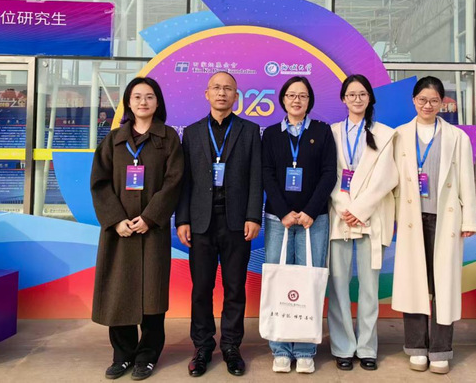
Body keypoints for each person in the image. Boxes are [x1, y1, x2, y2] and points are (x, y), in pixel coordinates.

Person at [90, 76, 184, 381]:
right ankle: (122, 355)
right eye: (137, 97)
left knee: (153, 296)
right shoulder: (113, 140)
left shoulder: (168, 138)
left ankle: (147, 355)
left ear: (158, 102)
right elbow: (100, 183)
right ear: (128, 103)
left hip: (151, 230)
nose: (143, 102)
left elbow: (174, 181)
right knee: (119, 293)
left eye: (149, 96)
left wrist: (150, 217)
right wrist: (116, 220)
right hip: (119, 232)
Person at [391, 76, 476, 375]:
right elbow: (391, 181)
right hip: (411, 220)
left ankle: (441, 350)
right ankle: (416, 347)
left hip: (446, 219)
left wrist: (469, 219)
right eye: (422, 100)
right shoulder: (400, 135)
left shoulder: (457, 137)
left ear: (442, 103)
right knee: (414, 283)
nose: (427, 105)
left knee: (444, 284)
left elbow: (466, 180)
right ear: (413, 101)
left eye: (433, 100)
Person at [175, 71, 262, 377]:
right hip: (201, 222)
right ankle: (202, 347)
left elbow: (256, 177)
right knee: (201, 288)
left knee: (235, 288)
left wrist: (254, 216)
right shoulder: (192, 132)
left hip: (237, 222)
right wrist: (182, 219)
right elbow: (185, 180)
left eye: (228, 89)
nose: (222, 93)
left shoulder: (250, 130)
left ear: (236, 96)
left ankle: (231, 347)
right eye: (216, 88)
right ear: (207, 94)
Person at [261, 76, 337, 374]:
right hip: (278, 219)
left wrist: (309, 211)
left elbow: (329, 174)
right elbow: (266, 174)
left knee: (309, 280)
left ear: (309, 101)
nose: (296, 100)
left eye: (302, 95)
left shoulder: (322, 131)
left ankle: (305, 349)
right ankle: (280, 348)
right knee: (279, 280)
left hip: (313, 220)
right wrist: (283, 212)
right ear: (283, 99)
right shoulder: (271, 134)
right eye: (291, 95)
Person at [327, 75, 398, 372]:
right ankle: (343, 347)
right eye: (351, 94)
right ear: (343, 99)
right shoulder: (330, 132)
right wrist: (345, 207)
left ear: (370, 98)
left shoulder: (386, 134)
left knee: (370, 287)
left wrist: (360, 209)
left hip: (371, 215)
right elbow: (327, 174)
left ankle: (367, 347)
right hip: (339, 215)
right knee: (338, 285)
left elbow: (387, 177)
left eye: (362, 94)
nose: (357, 99)